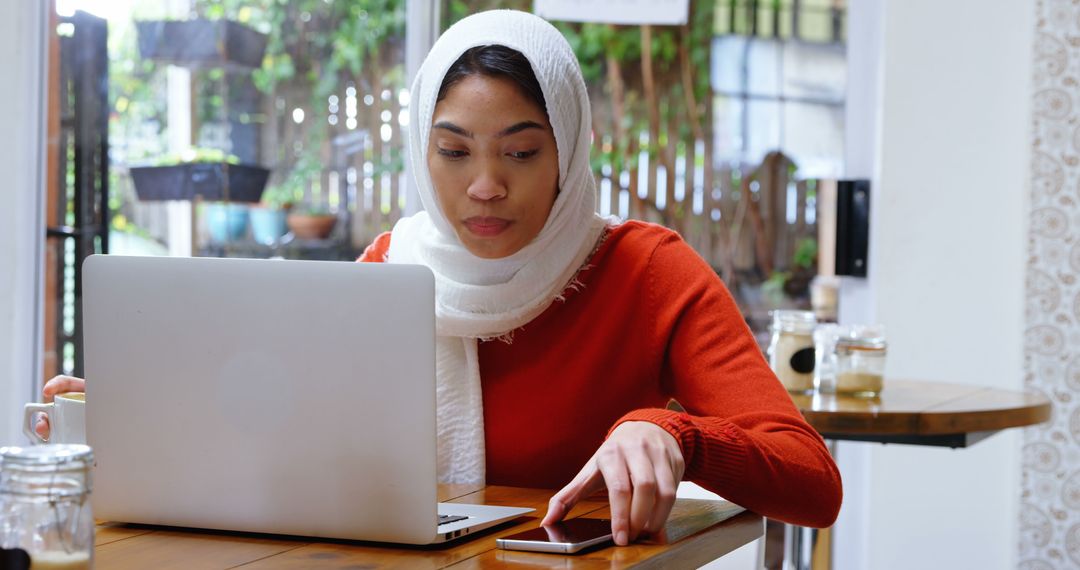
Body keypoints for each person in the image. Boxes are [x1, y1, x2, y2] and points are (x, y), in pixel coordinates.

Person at [37, 9, 841, 546]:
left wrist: (674, 432)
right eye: (453, 152)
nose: (485, 185)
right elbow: (286, 443)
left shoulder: (648, 270)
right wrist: (135, 421)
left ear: (569, 154)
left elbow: (812, 482)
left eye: (522, 152)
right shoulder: (392, 271)